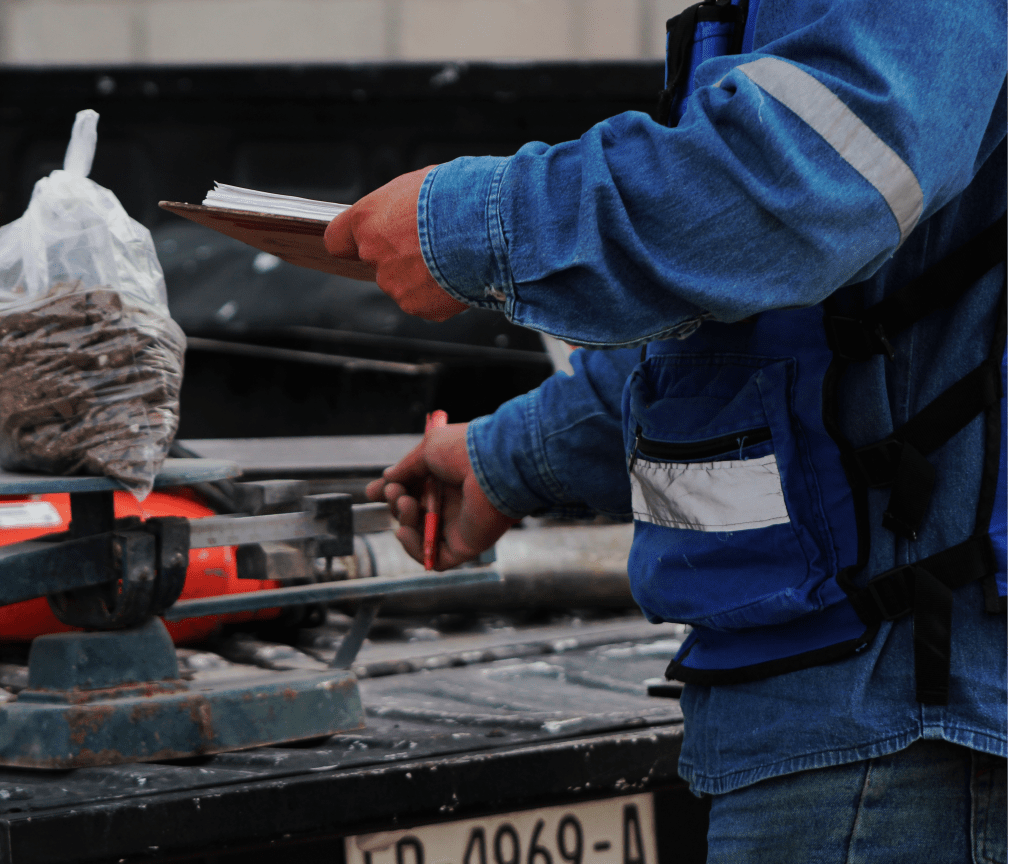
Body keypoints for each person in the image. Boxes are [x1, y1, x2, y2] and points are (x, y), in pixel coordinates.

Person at [323, 0, 1008, 860]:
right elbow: (760, 336)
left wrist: (474, 226)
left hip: (904, 721)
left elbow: (801, 187)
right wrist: (510, 460)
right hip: (870, 708)